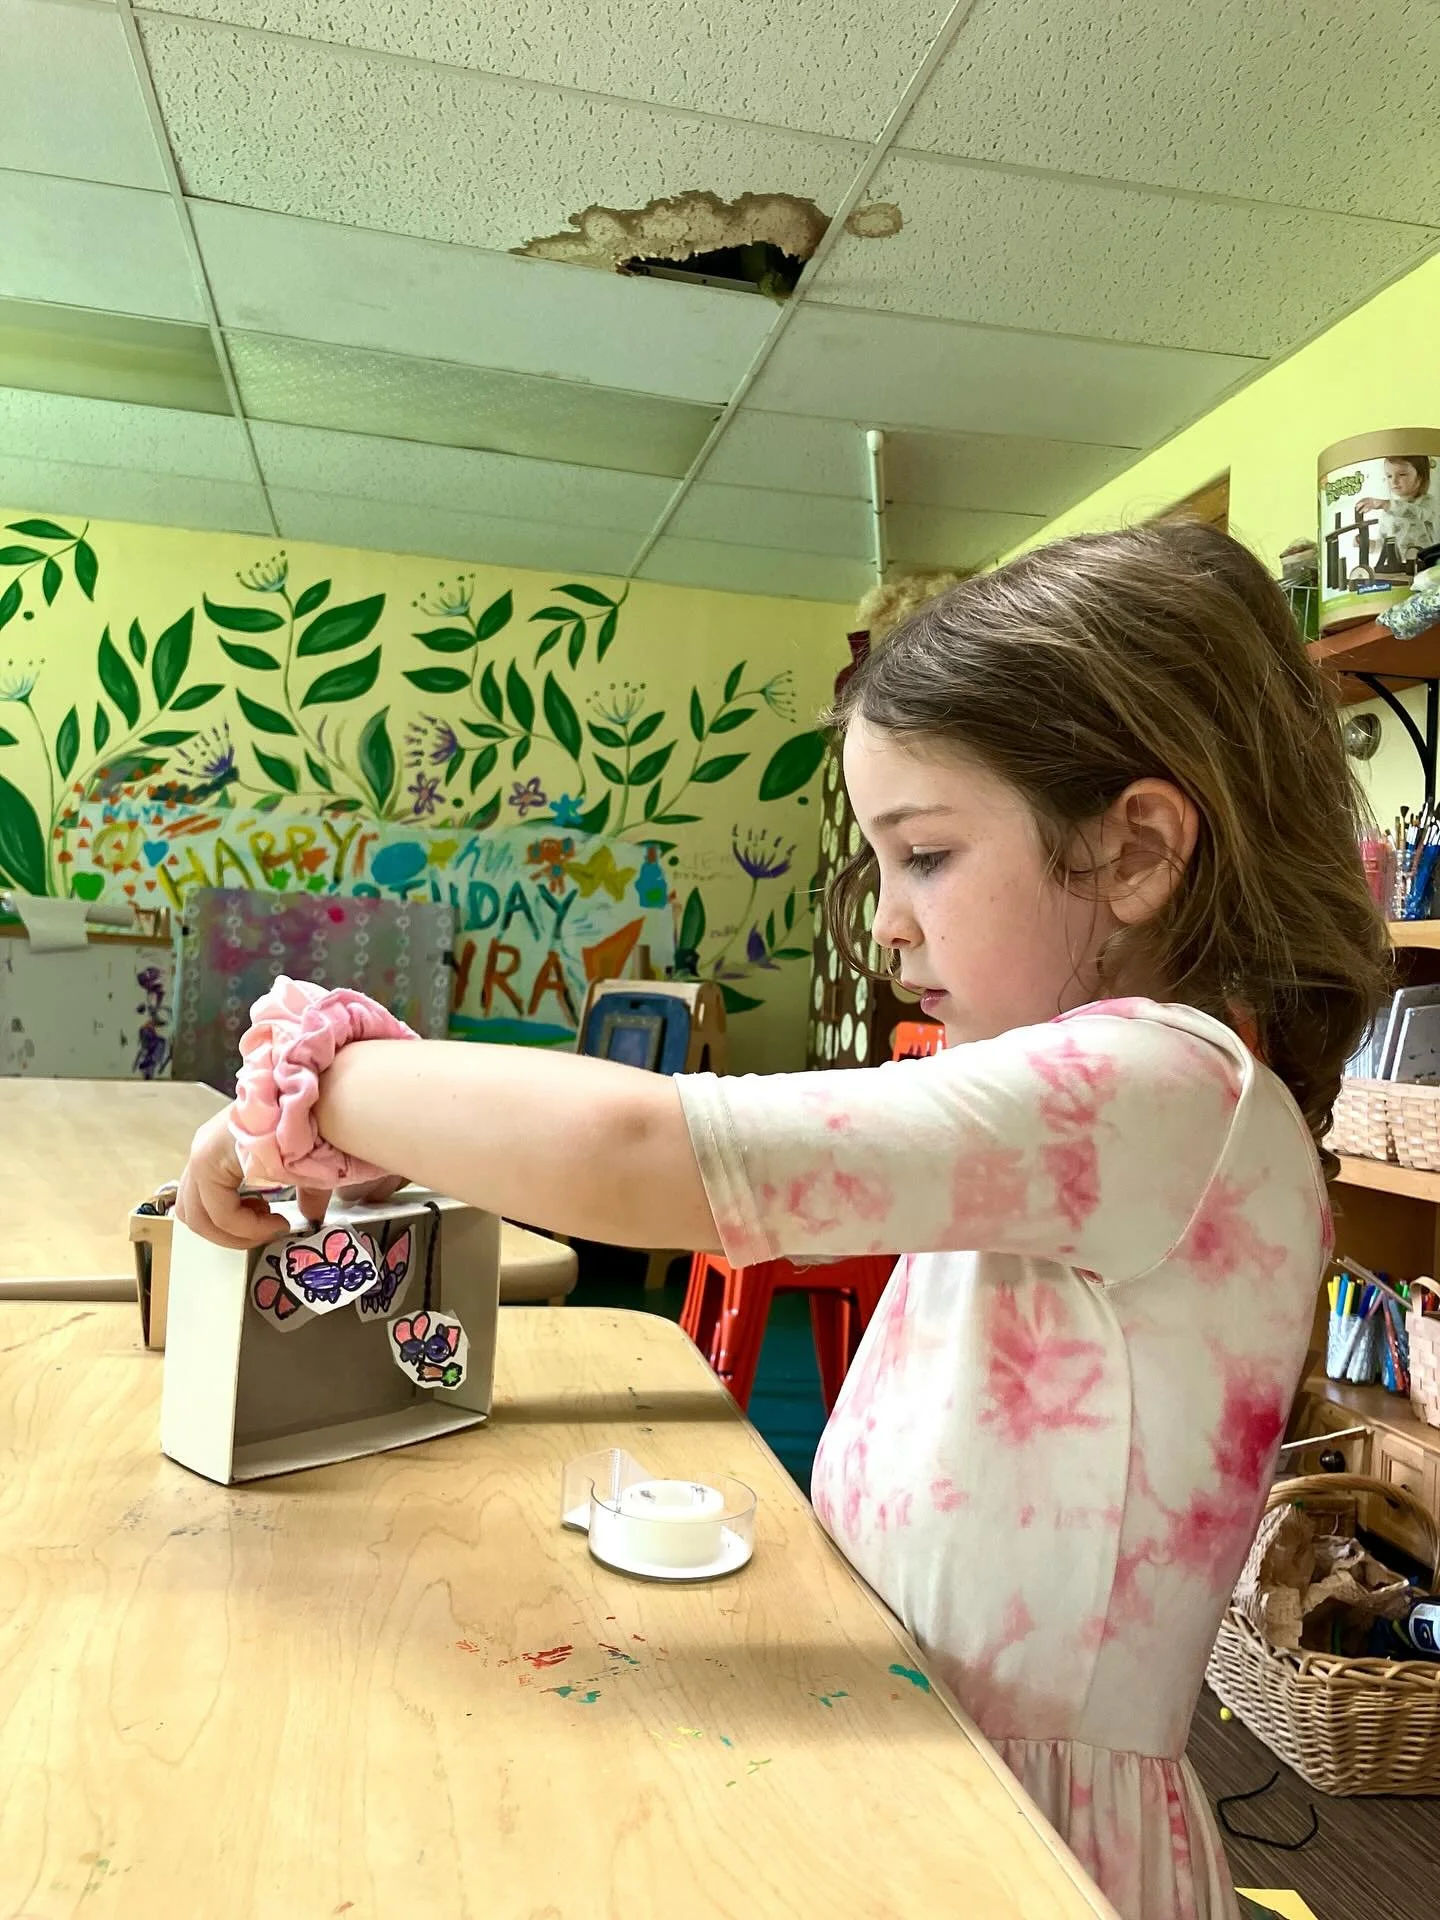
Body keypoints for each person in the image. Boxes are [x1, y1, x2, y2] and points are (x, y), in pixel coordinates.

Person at [177, 521, 1389, 1920]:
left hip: (1021, 1839)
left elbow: (642, 1147)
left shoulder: (1162, 1087)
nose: (886, 922)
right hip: (929, 1756)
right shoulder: (1125, 1097)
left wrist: (310, 1087)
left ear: (1135, 853)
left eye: (924, 853)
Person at [1353, 454, 1440, 571]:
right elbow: (1382, 544)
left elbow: (1420, 515)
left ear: (1420, 477)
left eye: (1402, 474)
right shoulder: (1388, 512)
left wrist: (1386, 504)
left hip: (1425, 567)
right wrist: (1367, 544)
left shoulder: (1427, 501)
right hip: (1397, 568)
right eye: (1389, 476)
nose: (1394, 481)